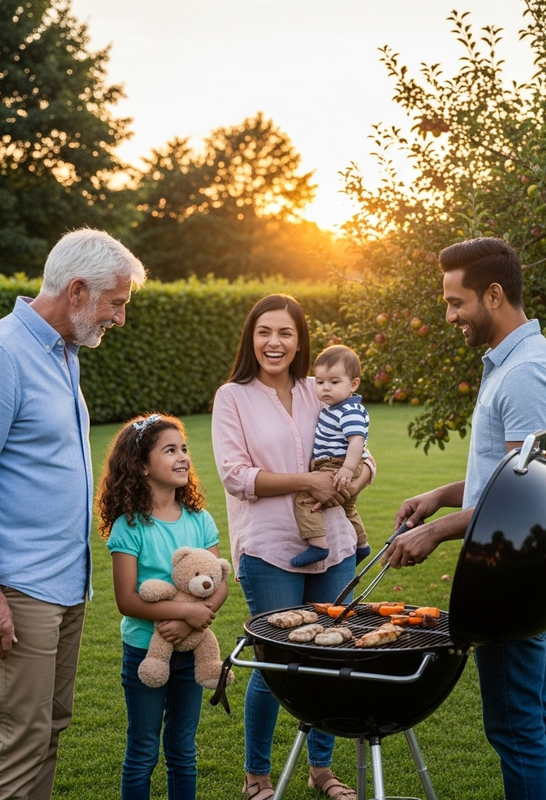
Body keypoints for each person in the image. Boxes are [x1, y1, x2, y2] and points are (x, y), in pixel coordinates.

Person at [0, 228, 146, 800]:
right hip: (18, 587)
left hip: (65, 586)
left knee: (47, 733)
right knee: (19, 738)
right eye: (116, 303)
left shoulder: (63, 353)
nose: (119, 319)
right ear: (77, 291)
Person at [384, 237, 546, 800]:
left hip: (514, 569)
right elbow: (503, 473)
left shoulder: (526, 375)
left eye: (456, 302)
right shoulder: (513, 364)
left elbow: (520, 498)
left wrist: (438, 532)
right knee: (529, 716)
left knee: (515, 725)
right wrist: (441, 497)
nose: (449, 316)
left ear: (493, 294)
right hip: (513, 567)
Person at [211, 294, 373, 800]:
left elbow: (364, 452)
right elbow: (236, 477)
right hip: (268, 548)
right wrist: (310, 480)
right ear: (250, 338)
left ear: (299, 340)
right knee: (275, 661)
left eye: (285, 333)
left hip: (336, 544)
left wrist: (357, 479)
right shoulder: (232, 397)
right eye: (264, 332)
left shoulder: (318, 388)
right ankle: (256, 774)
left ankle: (321, 769)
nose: (274, 342)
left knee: (330, 659)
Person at [97, 413, 230, 800]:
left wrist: (191, 624)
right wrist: (183, 613)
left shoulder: (199, 520)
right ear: (141, 465)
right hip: (144, 651)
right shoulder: (130, 526)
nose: (183, 457)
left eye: (184, 448)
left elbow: (218, 583)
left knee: (182, 750)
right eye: (169, 450)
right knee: (142, 751)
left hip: (191, 653)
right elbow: (127, 600)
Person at [291, 344, 371, 567]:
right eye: (320, 382)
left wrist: (346, 469)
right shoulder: (335, 407)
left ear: (353, 384)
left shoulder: (348, 411)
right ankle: (362, 546)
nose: (325, 388)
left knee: (305, 499)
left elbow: (356, 441)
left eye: (334, 382)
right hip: (336, 463)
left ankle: (318, 545)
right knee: (347, 509)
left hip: (337, 465)